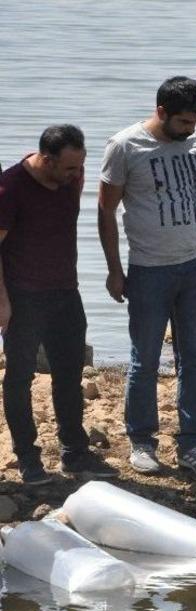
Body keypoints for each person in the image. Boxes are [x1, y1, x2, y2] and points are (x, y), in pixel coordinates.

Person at [98, 76, 196, 479]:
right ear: (161, 112)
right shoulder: (125, 147)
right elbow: (106, 211)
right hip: (149, 269)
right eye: (183, 122)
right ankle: (142, 442)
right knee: (145, 361)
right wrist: (114, 269)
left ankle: (191, 444)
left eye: (195, 122)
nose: (190, 129)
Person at [0, 125, 118, 486]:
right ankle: (28, 458)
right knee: (19, 378)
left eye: (80, 166)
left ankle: (74, 453)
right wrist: (2, 300)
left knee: (69, 375)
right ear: (47, 160)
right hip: (22, 297)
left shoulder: (72, 178)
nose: (76, 174)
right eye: (69, 168)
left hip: (66, 293)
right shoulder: (10, 188)